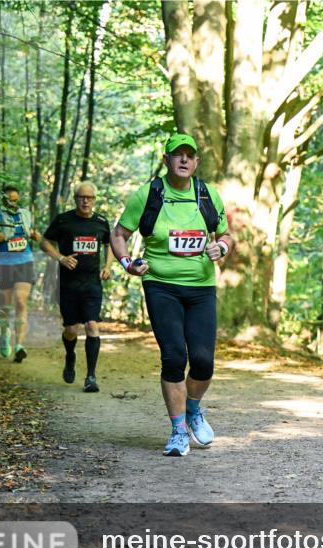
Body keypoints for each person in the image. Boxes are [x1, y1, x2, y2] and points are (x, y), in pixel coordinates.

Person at [111, 133, 232, 456]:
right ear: (165, 160)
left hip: (201, 288)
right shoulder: (148, 195)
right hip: (161, 286)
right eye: (176, 155)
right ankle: (179, 431)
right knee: (175, 356)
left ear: (196, 162)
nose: (183, 160)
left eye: (188, 156)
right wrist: (127, 262)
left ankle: (193, 409)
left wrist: (221, 247)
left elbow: (226, 235)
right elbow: (120, 233)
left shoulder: (207, 195)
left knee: (204, 362)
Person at [40, 182, 112, 392]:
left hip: (92, 283)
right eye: (82, 197)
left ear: (94, 200)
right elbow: (44, 242)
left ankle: (91, 377)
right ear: (76, 199)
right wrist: (60, 258)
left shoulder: (101, 222)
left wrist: (107, 266)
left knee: (92, 325)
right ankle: (70, 356)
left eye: (89, 197)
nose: (85, 201)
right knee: (71, 329)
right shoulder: (63, 220)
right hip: (68, 284)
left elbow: (109, 245)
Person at [0, 185, 39, 362]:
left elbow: (30, 232)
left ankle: (19, 345)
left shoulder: (25, 214)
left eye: (16, 199)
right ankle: (5, 334)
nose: (14, 203)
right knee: (5, 307)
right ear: (4, 199)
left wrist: (34, 235)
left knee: (21, 302)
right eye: (11, 200)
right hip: (4, 263)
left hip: (25, 261)